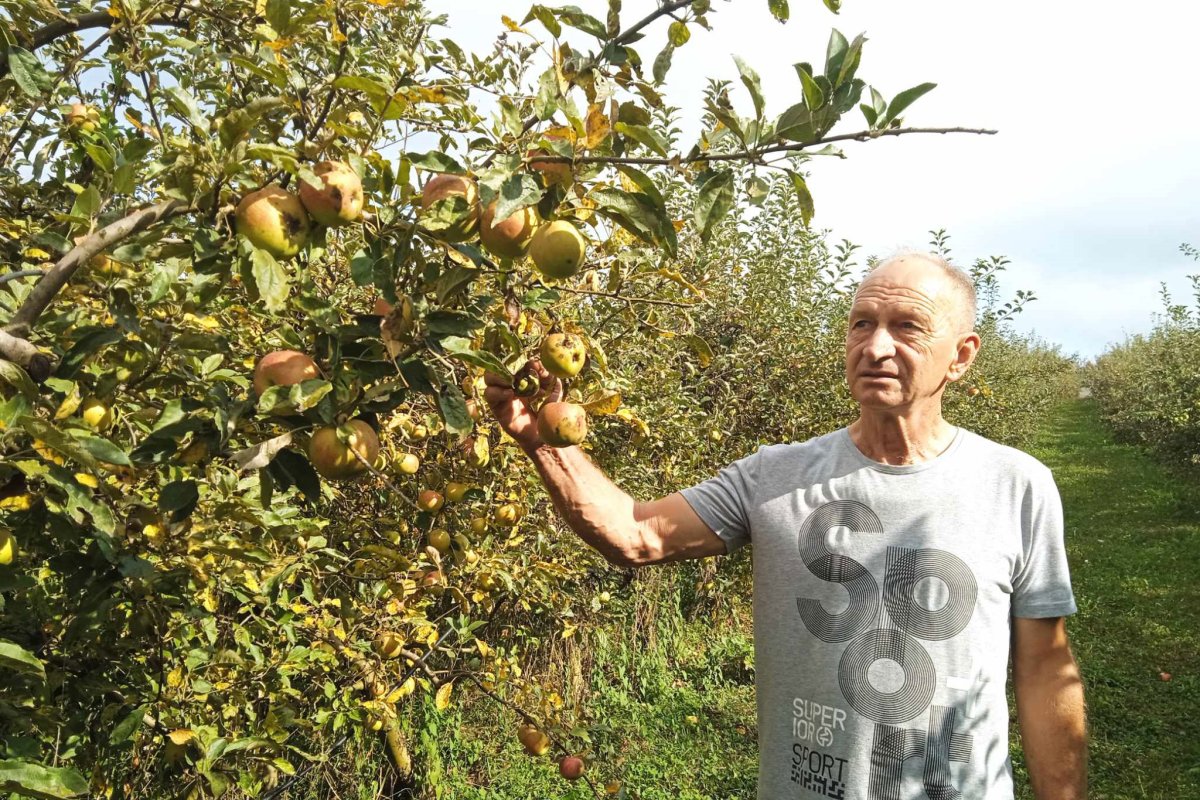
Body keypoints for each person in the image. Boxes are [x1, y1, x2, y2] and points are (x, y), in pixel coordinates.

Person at [484, 252, 1087, 800]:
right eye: (861, 324)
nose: (876, 346)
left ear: (961, 356)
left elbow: (1043, 670)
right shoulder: (773, 476)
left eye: (907, 326)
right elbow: (635, 534)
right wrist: (542, 443)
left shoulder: (1016, 484)